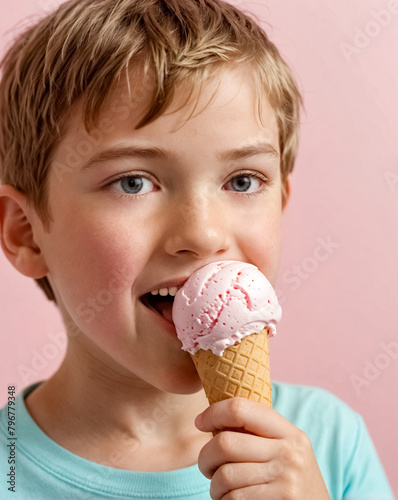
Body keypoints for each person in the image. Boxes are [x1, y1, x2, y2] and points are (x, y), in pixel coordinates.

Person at [0, 0, 394, 498]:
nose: (204, 235)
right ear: (26, 233)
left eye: (243, 180)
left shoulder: (331, 444)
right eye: (133, 183)